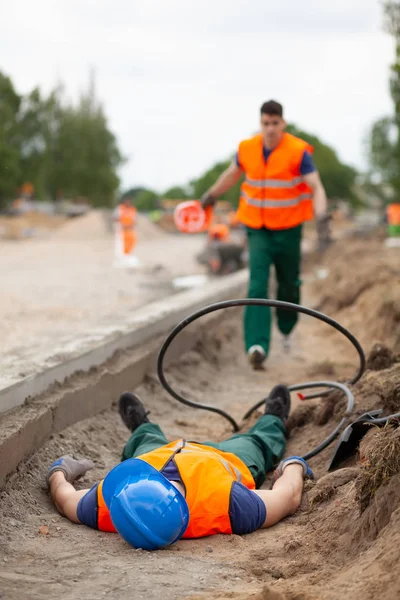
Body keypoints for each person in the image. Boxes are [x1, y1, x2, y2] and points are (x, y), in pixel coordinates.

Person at [47, 385, 313, 551]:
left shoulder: (112, 505)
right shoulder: (230, 505)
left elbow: (65, 497)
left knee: (144, 442)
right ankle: (273, 418)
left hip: (158, 454)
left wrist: (61, 470)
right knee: (258, 442)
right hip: (227, 458)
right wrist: (293, 466)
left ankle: (142, 427)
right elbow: (286, 497)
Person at [201, 100, 332, 370]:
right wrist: (212, 194)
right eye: (265, 123)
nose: (270, 128)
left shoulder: (298, 152)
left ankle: (286, 328)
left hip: (288, 228)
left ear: (283, 123)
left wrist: (322, 220)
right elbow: (231, 174)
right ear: (260, 123)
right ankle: (256, 345)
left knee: (288, 283)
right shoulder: (247, 148)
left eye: (275, 123)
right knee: (257, 284)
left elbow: (316, 187)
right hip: (257, 227)